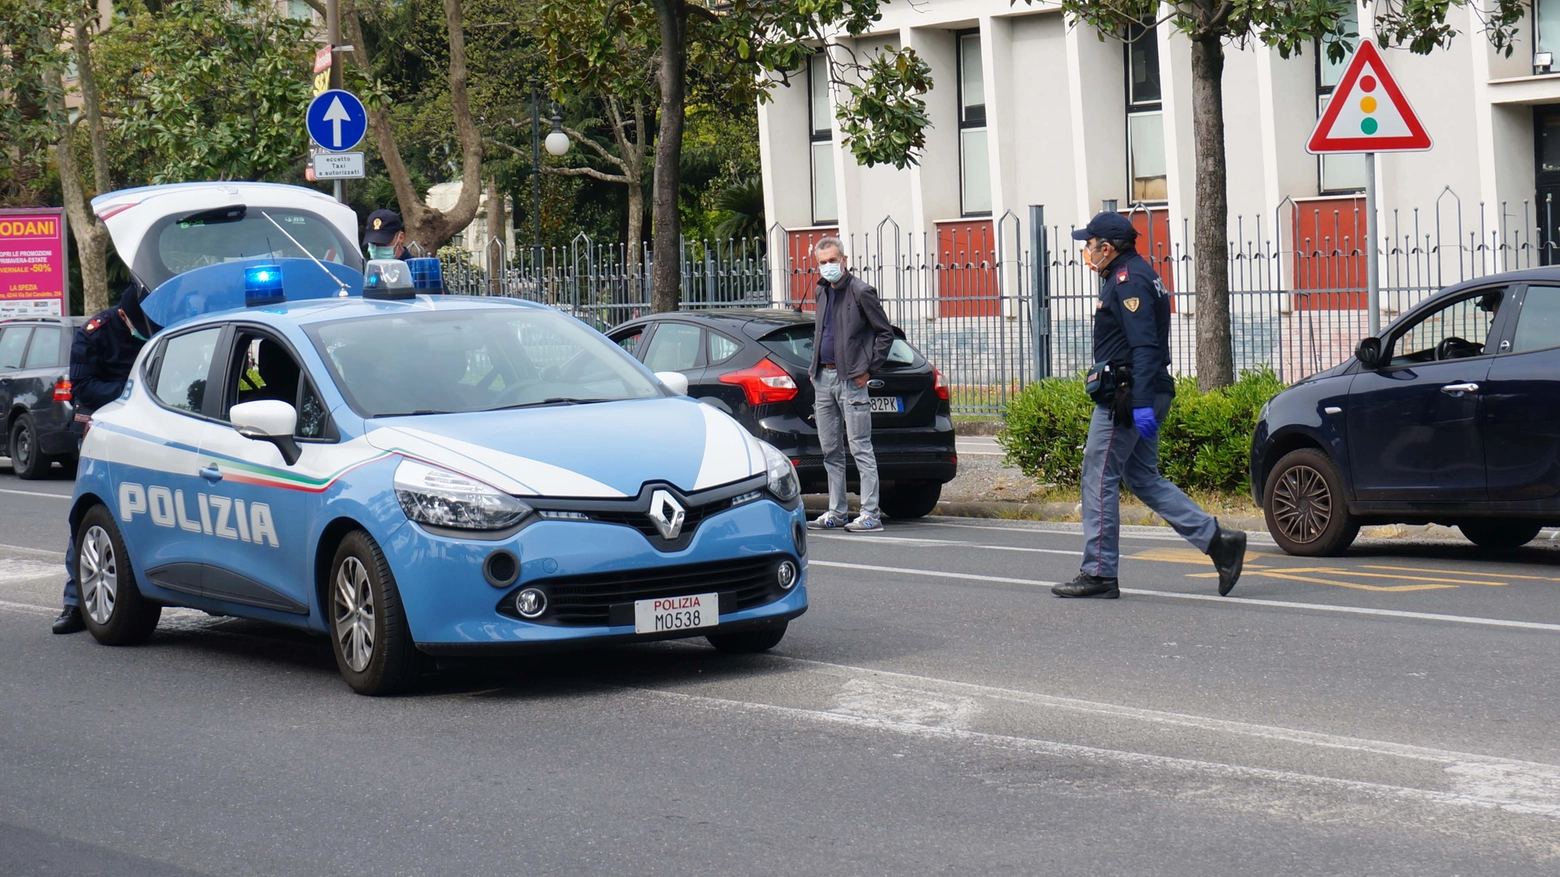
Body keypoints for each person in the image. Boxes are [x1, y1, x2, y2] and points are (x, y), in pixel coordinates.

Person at [1051, 212, 1247, 600]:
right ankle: (1218, 542)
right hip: (1142, 393)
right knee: (1142, 478)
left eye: (1090, 245)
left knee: (1098, 477)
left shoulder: (1129, 281)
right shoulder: (1136, 274)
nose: (1087, 251)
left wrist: (1138, 403)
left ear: (1107, 248)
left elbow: (1144, 347)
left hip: (1128, 397)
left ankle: (1099, 572)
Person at [53, 283, 158, 634]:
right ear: (124, 314)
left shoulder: (159, 327)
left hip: (157, 430)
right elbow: (83, 387)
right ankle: (75, 602)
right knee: (93, 512)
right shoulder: (95, 333)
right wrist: (133, 393)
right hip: (105, 431)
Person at [805, 236, 896, 534]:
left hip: (851, 380)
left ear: (843, 259)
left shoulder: (861, 291)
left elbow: (885, 333)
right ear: (816, 264)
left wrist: (869, 369)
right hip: (823, 379)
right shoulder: (821, 292)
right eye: (822, 262)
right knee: (830, 449)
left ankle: (870, 513)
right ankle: (837, 511)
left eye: (833, 260)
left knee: (860, 447)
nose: (828, 266)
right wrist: (813, 368)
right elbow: (822, 333)